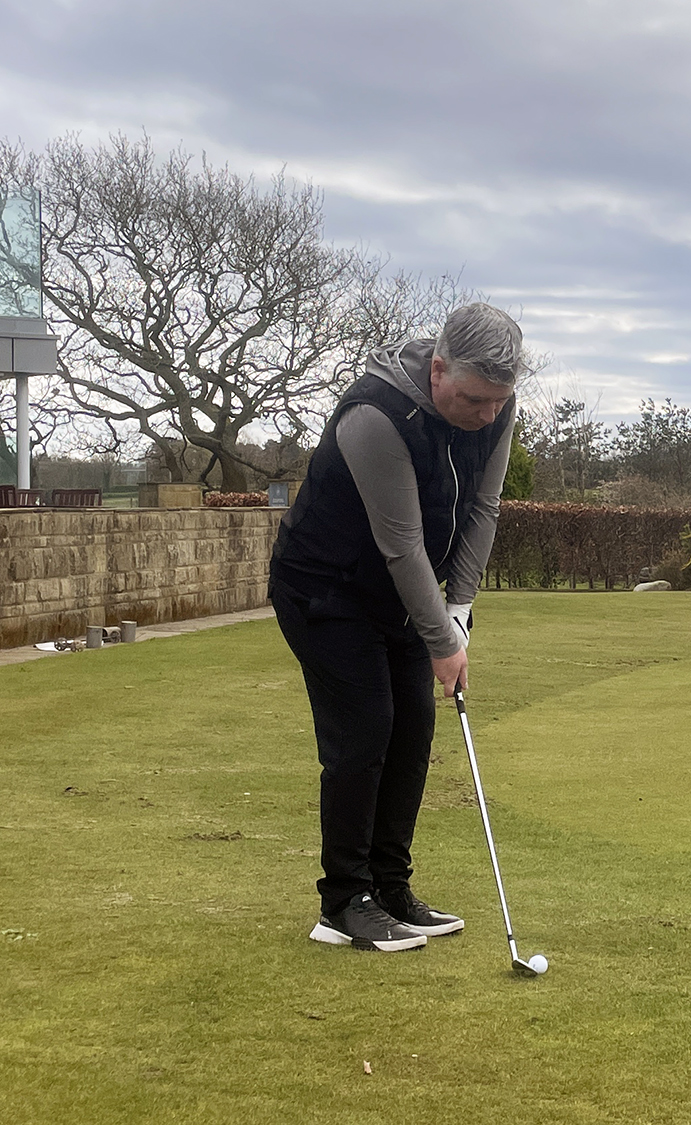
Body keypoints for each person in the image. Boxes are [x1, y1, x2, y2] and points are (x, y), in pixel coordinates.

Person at [268, 303, 521, 952]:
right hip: (325, 587)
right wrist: (443, 643)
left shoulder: (495, 407)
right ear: (438, 370)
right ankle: (343, 903)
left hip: (399, 595)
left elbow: (483, 508)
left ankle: (391, 887)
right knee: (365, 729)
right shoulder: (376, 416)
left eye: (499, 400)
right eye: (473, 399)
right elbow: (402, 544)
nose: (486, 415)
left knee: (413, 728)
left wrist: (459, 612)